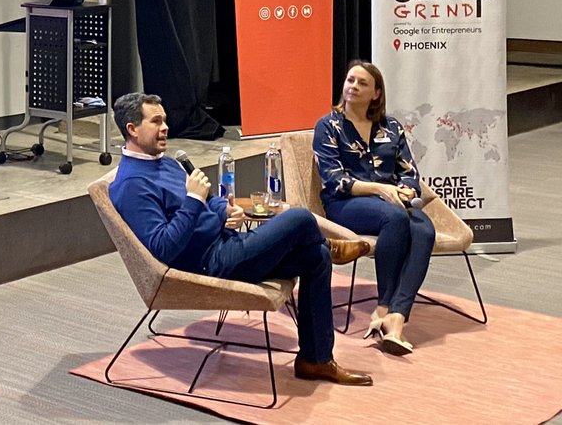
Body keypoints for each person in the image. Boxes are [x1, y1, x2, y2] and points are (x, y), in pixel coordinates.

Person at [110, 92, 373, 386]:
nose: (165, 127)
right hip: (207, 265)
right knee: (299, 218)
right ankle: (329, 244)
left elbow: (209, 200)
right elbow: (163, 248)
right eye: (156, 121)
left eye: (165, 120)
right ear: (132, 129)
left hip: (226, 244)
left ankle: (315, 359)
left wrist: (224, 210)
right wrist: (195, 201)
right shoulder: (132, 184)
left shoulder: (165, 162)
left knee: (316, 258)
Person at [313, 60, 434, 355]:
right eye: (350, 80)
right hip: (346, 204)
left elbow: (409, 172)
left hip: (391, 202)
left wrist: (406, 189)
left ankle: (397, 317)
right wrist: (381, 189)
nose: (353, 86)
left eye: (362, 83)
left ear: (376, 93)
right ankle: (383, 307)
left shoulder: (391, 127)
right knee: (395, 218)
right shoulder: (328, 126)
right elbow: (335, 180)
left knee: (425, 231)